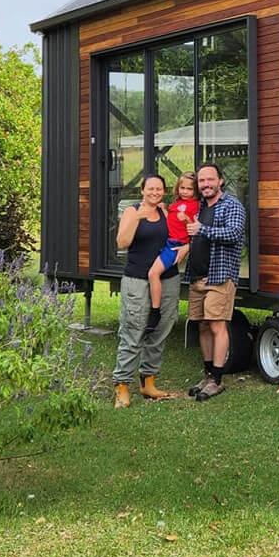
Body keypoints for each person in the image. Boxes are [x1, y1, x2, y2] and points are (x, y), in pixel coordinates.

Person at [112, 174, 181, 407]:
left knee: (161, 327)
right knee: (134, 329)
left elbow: (178, 239)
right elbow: (122, 243)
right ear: (142, 190)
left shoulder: (165, 212)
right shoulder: (133, 211)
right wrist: (138, 218)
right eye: (150, 188)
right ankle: (122, 385)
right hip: (137, 280)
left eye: (159, 188)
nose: (154, 192)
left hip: (167, 279)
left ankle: (148, 382)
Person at [185, 162, 247, 401]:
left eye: (210, 179)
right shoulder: (199, 206)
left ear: (220, 181)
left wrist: (203, 229)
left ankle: (217, 381)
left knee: (216, 325)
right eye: (201, 181)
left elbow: (233, 233)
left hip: (220, 277)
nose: (206, 184)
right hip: (197, 277)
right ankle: (208, 374)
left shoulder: (231, 205)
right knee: (201, 325)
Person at [144, 172, 199, 337]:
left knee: (153, 273)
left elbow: (196, 229)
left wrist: (187, 220)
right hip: (167, 241)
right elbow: (171, 222)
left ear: (195, 191)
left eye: (189, 189)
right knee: (152, 270)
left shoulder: (196, 206)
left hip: (176, 245)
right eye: (182, 188)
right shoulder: (176, 204)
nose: (185, 191)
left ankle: (155, 311)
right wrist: (164, 209)